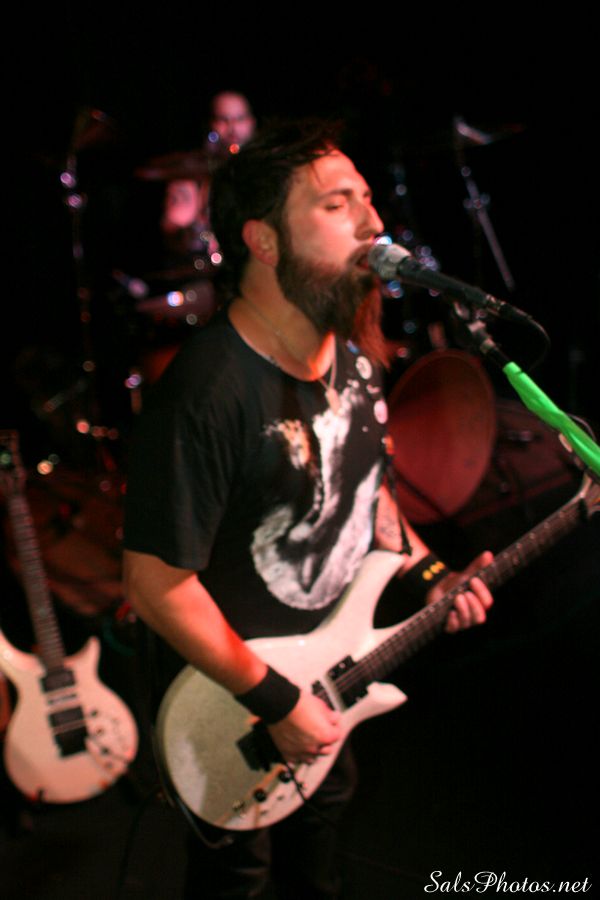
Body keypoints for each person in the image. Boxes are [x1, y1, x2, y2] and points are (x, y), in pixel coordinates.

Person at [122, 120, 493, 899]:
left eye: (367, 199)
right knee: (236, 881)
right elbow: (155, 586)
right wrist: (274, 699)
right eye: (336, 204)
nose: (372, 222)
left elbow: (367, 491)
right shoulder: (207, 393)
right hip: (234, 705)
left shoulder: (353, 363)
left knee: (317, 867)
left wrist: (432, 576)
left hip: (330, 677)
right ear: (263, 241)